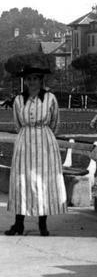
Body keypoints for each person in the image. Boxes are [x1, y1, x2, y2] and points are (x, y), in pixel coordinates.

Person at [5, 66, 67, 236]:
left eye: (35, 78)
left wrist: (43, 135)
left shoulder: (49, 98)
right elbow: (17, 123)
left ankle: (42, 224)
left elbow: (55, 122)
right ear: (25, 81)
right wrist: (28, 133)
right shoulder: (19, 100)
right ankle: (19, 224)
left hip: (44, 141)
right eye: (29, 79)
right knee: (22, 181)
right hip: (24, 141)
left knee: (43, 181)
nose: (32, 82)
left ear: (41, 80)